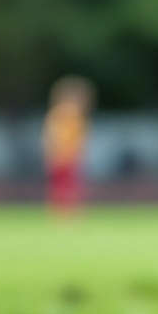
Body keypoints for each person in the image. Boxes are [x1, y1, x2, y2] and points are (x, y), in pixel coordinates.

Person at [43, 75, 95, 219]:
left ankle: (62, 213)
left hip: (61, 156)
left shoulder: (57, 113)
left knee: (60, 186)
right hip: (66, 156)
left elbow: (49, 135)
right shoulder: (71, 114)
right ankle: (67, 214)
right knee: (67, 186)